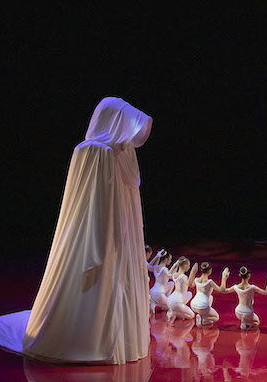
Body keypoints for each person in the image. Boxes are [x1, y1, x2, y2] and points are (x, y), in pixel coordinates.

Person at [20, 98, 153, 363]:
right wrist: (102, 234)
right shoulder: (91, 151)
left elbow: (128, 198)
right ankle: (86, 338)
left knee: (117, 279)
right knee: (97, 279)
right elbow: (91, 199)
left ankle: (118, 339)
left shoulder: (122, 151)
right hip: (95, 227)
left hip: (120, 230)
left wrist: (125, 234)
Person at [224, 266, 267, 330]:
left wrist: (224, 278)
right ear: (249, 275)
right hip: (248, 313)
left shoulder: (235, 287)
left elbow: (224, 290)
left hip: (238, 312)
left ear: (240, 275)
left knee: (248, 318)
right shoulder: (252, 287)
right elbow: (266, 292)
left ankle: (244, 321)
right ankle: (245, 322)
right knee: (257, 322)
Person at [191, 262, 230, 327]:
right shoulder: (209, 282)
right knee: (216, 318)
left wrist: (193, 271)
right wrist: (224, 277)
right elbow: (222, 290)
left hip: (193, 304)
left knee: (210, 297)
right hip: (202, 306)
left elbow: (190, 284)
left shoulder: (196, 279)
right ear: (210, 271)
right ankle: (203, 316)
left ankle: (204, 318)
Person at [166, 257, 198, 323]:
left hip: (169, 300)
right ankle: (174, 312)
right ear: (185, 266)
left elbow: (168, 274)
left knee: (189, 294)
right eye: (188, 265)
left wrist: (175, 264)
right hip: (176, 302)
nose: (189, 267)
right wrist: (193, 272)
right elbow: (191, 284)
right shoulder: (183, 277)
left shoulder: (175, 274)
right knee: (191, 315)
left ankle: (173, 310)